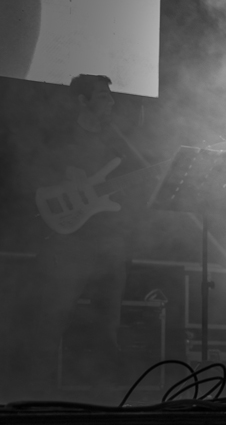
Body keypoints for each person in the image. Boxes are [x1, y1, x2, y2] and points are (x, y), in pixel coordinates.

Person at [8, 74, 149, 398]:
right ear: (82, 101)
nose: (111, 102)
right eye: (102, 96)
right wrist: (62, 176)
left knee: (107, 324)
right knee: (51, 319)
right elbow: (29, 175)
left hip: (109, 241)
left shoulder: (118, 143)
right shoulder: (61, 137)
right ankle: (37, 399)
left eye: (110, 96)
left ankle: (104, 398)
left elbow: (125, 190)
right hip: (68, 241)